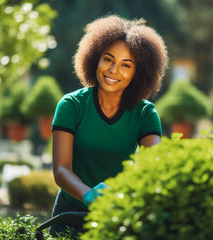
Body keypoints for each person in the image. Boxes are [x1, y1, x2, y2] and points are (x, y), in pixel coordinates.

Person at [49, 14, 168, 237]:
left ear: (137, 73)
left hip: (116, 217)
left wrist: (123, 195)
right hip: (68, 215)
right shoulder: (71, 105)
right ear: (95, 58)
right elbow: (61, 169)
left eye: (126, 65)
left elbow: (152, 170)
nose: (114, 70)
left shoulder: (145, 114)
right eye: (108, 59)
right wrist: (88, 195)